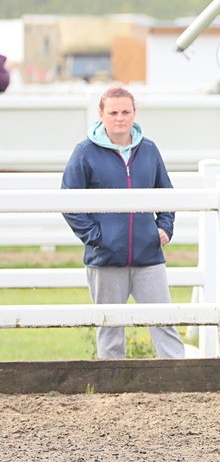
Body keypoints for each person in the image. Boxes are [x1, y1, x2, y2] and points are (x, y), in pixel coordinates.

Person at [61, 86, 184, 359]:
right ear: (101, 114)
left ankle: (180, 379)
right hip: (105, 258)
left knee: (163, 322)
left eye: (125, 111)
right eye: (113, 112)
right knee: (110, 326)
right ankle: (112, 389)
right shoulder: (85, 152)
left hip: (149, 255)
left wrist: (164, 226)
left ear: (134, 113)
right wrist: (97, 237)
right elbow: (69, 202)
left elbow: (165, 192)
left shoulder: (149, 149)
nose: (120, 118)